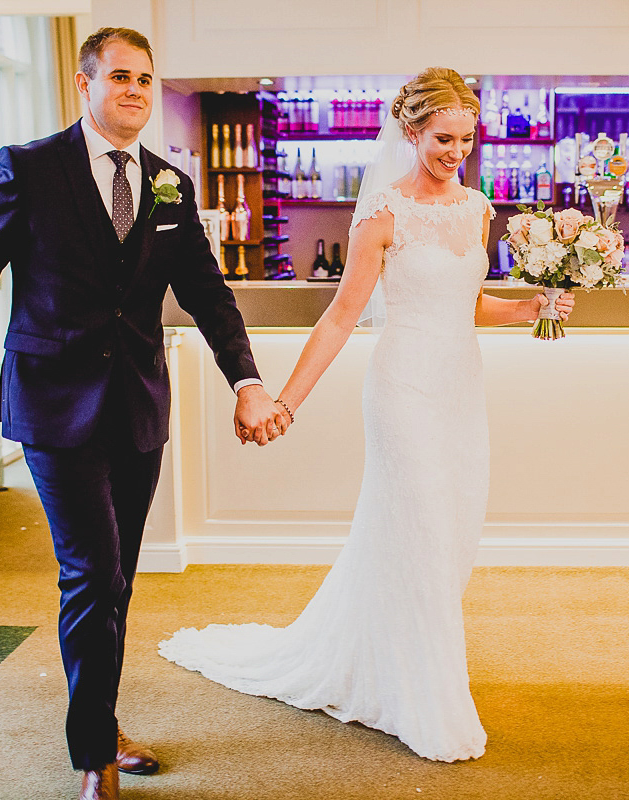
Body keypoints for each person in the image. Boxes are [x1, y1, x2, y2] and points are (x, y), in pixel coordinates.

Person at [0, 27, 288, 800]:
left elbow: (208, 294)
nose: (136, 91)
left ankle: (102, 717)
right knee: (90, 573)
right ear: (85, 86)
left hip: (138, 406)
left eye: (146, 79)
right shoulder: (28, 169)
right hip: (52, 404)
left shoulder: (168, 182)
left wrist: (245, 379)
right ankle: (94, 758)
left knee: (116, 581)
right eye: (120, 77)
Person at [159, 67, 574, 762]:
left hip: (460, 392)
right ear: (410, 132)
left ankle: (391, 662)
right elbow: (342, 316)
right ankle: (428, 701)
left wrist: (531, 308)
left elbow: (468, 304)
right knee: (421, 531)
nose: (456, 152)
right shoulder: (381, 215)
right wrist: (286, 399)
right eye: (443, 138)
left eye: (467, 140)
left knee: (449, 537)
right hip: (404, 392)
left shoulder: (477, 208)